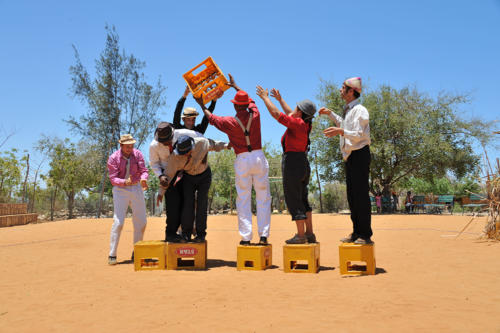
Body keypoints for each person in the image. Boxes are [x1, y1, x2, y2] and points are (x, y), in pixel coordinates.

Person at [194, 74, 271, 246]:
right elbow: (251, 101)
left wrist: (201, 105)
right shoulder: (255, 114)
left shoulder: (230, 122)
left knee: (243, 198)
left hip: (242, 159)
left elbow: (211, 119)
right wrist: (237, 87)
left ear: (236, 106)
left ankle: (246, 238)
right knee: (263, 197)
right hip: (258, 156)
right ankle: (264, 236)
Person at [256, 85, 317, 244]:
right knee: (303, 199)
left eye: (297, 107)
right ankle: (309, 233)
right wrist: (280, 99)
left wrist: (265, 98)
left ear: (301, 112)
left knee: (293, 199)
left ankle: (300, 235)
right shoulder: (305, 124)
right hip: (303, 163)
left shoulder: (297, 124)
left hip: (293, 163)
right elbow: (291, 112)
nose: (293, 108)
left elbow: (277, 114)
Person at [319, 77, 373, 244]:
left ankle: (365, 234)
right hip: (350, 156)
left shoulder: (360, 110)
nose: (340, 90)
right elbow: (345, 124)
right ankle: (356, 232)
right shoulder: (349, 110)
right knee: (352, 196)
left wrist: (340, 131)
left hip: (360, 154)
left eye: (343, 88)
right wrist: (331, 115)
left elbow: (360, 134)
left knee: (361, 195)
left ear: (351, 91)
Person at [159, 135, 229, 242]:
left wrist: (226, 146)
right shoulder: (175, 157)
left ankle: (200, 235)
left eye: (187, 152)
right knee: (188, 203)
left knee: (202, 203)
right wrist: (161, 192)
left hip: (204, 175)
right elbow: (168, 174)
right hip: (188, 177)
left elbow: (215, 145)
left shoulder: (202, 143)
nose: (185, 155)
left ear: (192, 147)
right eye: (182, 153)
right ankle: (186, 234)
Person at [148, 122, 202, 241]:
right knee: (173, 205)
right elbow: (154, 163)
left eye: (168, 140)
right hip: (167, 175)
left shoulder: (184, 134)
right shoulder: (153, 146)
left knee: (188, 201)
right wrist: (160, 176)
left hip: (185, 171)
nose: (166, 144)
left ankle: (187, 231)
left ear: (172, 135)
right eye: (163, 142)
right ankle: (171, 234)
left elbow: (201, 137)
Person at [107, 134, 149, 265]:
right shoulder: (113, 158)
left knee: (141, 221)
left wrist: (143, 179)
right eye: (127, 146)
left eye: (131, 146)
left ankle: (137, 251)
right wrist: (125, 182)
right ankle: (112, 254)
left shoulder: (138, 154)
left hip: (136, 188)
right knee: (118, 222)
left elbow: (144, 170)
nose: (130, 149)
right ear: (121, 145)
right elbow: (113, 179)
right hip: (120, 190)